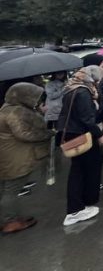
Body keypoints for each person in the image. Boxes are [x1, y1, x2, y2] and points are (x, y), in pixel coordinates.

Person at [58, 66, 103, 226]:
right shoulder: (82, 92)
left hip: (73, 133)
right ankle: (76, 210)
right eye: (98, 77)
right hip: (83, 135)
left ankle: (79, 206)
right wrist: (100, 135)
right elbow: (87, 118)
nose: (99, 81)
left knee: (79, 170)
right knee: (82, 171)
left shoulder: (70, 88)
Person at [0, 83, 54, 233]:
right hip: (16, 158)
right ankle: (10, 221)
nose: (36, 100)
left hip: (7, 156)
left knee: (4, 189)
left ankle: (8, 219)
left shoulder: (6, 108)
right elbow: (24, 134)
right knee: (11, 190)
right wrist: (47, 134)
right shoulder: (16, 112)